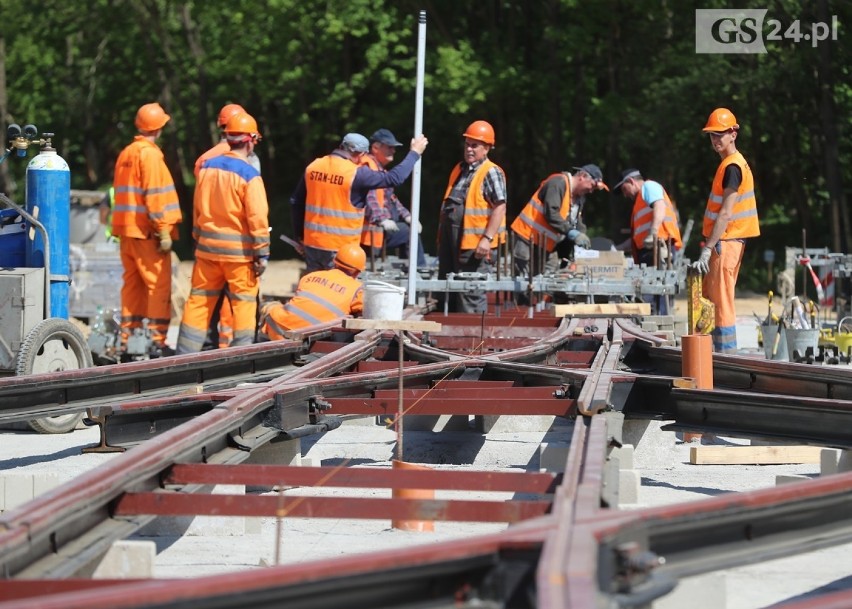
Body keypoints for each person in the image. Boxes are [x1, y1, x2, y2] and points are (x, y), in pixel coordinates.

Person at [176, 112, 270, 354]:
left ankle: (183, 356)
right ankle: (241, 358)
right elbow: (257, 218)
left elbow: (197, 209)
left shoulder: (207, 167)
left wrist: (198, 239)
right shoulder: (249, 175)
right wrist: (262, 254)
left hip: (207, 251)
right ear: (250, 140)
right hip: (239, 256)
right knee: (243, 305)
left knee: (198, 302)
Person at [291, 132, 428, 272]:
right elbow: (395, 178)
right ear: (362, 155)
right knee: (338, 289)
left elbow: (296, 202)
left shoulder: (314, 166)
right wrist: (414, 153)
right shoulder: (356, 173)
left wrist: (299, 237)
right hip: (341, 249)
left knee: (316, 286)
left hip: (313, 244)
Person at [111, 102, 182, 357]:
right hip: (147, 233)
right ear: (159, 127)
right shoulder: (149, 155)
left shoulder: (127, 153)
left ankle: (129, 340)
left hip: (127, 231)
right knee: (157, 286)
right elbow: (154, 196)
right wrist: (163, 230)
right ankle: (156, 341)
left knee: (133, 286)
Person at [692, 108, 760, 353]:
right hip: (729, 241)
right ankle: (714, 354)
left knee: (721, 302)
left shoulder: (732, 167)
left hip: (726, 241)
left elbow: (725, 213)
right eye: (712, 135)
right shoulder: (732, 164)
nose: (715, 140)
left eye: (720, 134)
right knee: (715, 298)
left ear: (734, 133)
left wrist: (708, 248)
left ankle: (726, 356)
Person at [193, 103, 255, 349]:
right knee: (239, 302)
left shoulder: (205, 160)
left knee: (203, 302)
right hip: (238, 248)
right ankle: (231, 350)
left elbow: (200, 202)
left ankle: (198, 350)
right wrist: (260, 249)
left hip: (207, 243)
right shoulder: (247, 164)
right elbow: (255, 210)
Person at [438, 120, 507, 313]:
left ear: (486, 148)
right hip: (452, 243)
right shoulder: (459, 170)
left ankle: (475, 342)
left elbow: (500, 207)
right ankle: (449, 340)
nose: (469, 149)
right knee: (447, 292)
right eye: (467, 144)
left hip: (475, 246)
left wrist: (487, 238)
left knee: (470, 294)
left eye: (474, 145)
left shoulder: (491, 171)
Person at [510, 164, 608, 282]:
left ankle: (543, 301)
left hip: (546, 243)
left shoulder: (579, 199)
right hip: (527, 237)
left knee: (548, 278)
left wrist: (582, 240)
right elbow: (551, 213)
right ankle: (524, 301)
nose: (591, 191)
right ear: (582, 176)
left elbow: (577, 222)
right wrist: (572, 233)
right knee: (523, 280)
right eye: (592, 186)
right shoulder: (558, 183)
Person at [613, 168, 683, 314]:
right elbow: (637, 237)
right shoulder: (640, 202)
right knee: (651, 296)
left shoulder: (649, 187)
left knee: (659, 293)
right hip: (650, 252)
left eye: (624, 189)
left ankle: (660, 329)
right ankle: (653, 329)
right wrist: (615, 249)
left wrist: (653, 232)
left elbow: (659, 205)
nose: (624, 194)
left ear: (631, 181)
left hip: (659, 249)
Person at [260, 243, 365, 339]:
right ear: (358, 272)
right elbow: (367, 313)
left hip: (278, 330)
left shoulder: (311, 276)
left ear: (334, 262)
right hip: (311, 339)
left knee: (270, 306)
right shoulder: (356, 289)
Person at [360, 128, 426, 267]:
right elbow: (369, 198)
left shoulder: (379, 169)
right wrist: (382, 219)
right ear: (376, 147)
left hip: (376, 231)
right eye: (389, 147)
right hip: (368, 233)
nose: (393, 151)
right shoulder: (367, 166)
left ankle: (413, 271)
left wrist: (408, 216)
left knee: (408, 230)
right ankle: (418, 272)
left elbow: (392, 199)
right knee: (409, 234)